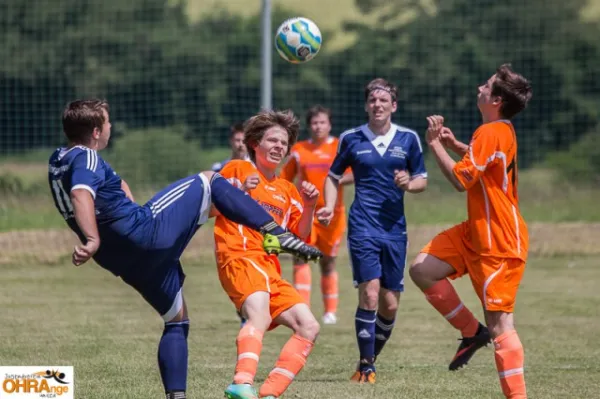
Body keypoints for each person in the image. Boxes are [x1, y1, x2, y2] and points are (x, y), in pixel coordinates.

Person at [47, 100, 322, 399]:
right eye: (109, 122)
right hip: (144, 233)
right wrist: (91, 238)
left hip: (122, 259)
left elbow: (96, 189)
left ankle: (181, 396)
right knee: (209, 179)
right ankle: (276, 233)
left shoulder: (57, 159)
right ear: (97, 131)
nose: (112, 127)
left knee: (176, 321)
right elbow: (81, 192)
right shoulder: (87, 157)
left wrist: (116, 204)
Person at [409, 64, 532, 399]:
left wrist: (433, 144)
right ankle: (471, 332)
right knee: (423, 268)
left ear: (495, 99)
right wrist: (455, 146)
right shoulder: (496, 130)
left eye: (487, 85)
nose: (480, 86)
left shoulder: (491, 131)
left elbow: (463, 181)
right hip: (475, 232)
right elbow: (485, 167)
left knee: (502, 325)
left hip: (498, 242)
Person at [317, 78, 428, 383]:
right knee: (369, 292)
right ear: (366, 105)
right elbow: (333, 176)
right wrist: (328, 205)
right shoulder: (351, 138)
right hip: (362, 225)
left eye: (384, 100)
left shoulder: (408, 139)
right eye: (372, 101)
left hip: (395, 229)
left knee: (390, 303)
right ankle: (367, 366)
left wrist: (409, 183)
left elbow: (422, 180)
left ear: (394, 105)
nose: (377, 105)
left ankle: (368, 357)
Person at [216, 109, 321, 399]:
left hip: (268, 268)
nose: (279, 147)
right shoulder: (237, 169)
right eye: (272, 141)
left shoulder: (287, 190)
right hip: (239, 256)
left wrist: (310, 206)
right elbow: (210, 206)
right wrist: (237, 189)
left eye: (284, 143)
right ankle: (241, 382)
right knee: (258, 315)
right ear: (254, 143)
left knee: (308, 325)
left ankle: (269, 394)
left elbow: (298, 238)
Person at [280, 105, 353, 325]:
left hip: (332, 214)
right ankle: (304, 309)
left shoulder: (340, 148)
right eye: (314, 122)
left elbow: (353, 174)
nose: (318, 126)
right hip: (304, 215)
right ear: (309, 126)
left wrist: (334, 179)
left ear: (329, 124)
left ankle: (330, 312)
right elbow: (285, 178)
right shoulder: (299, 150)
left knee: (328, 262)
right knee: (300, 258)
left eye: (322, 122)